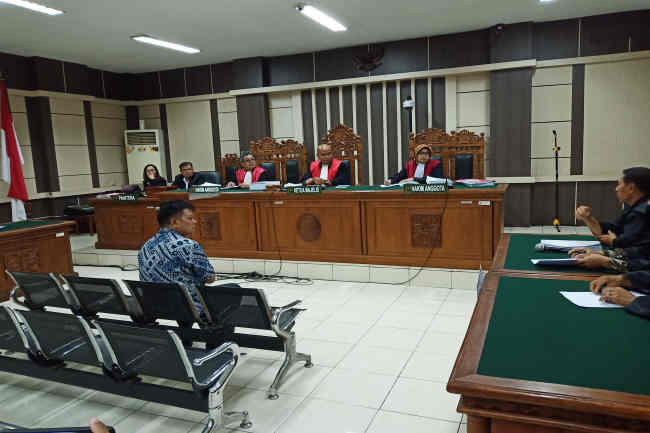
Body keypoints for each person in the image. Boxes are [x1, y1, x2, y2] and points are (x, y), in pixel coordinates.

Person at [138, 200, 215, 316]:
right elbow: (210, 278)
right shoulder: (189, 245)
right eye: (190, 218)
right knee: (234, 288)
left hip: (155, 306)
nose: (195, 222)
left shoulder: (145, 246)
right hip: (189, 307)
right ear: (174, 222)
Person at [575, 167, 650, 248]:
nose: (616, 189)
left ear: (631, 188)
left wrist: (615, 242)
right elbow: (609, 230)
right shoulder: (632, 208)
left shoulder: (643, 212)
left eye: (619, 184)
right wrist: (587, 218)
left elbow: (635, 249)